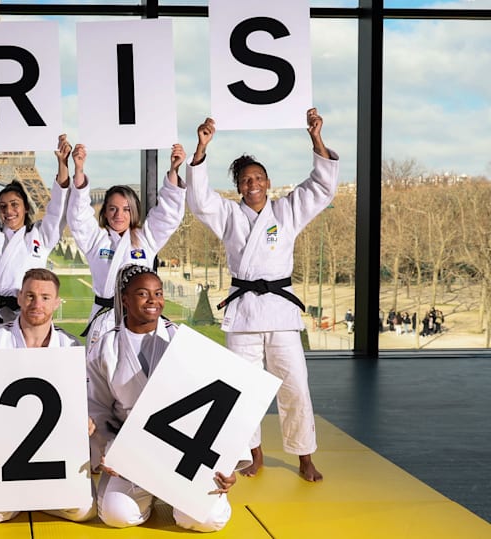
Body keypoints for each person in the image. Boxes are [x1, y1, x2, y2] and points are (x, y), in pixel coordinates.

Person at [185, 108, 338, 482]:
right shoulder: (227, 215)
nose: (251, 183)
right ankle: (254, 454)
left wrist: (316, 139)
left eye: (257, 177)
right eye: (244, 179)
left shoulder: (286, 211)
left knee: (295, 385)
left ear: (268, 182)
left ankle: (304, 456)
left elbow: (321, 188)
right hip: (244, 313)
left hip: (280, 311)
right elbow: (200, 199)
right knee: (242, 390)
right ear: (238, 187)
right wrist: (201, 147)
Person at [87, 264, 239, 531]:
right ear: (124, 299)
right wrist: (109, 450)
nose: (153, 300)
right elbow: (97, 407)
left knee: (207, 520)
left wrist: (228, 464)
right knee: (116, 515)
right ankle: (149, 492)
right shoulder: (106, 347)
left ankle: (173, 493)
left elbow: (223, 400)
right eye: (142, 293)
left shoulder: (182, 340)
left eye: (158, 293)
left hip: (185, 448)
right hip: (133, 449)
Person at [0, 268, 96, 526]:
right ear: (19, 298)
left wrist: (88, 419)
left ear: (57, 302)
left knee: (83, 510)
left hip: (56, 452)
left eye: (45, 297)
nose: (37, 304)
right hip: (4, 453)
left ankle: (32, 500)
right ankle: (28, 500)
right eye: (30, 296)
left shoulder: (71, 348)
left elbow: (89, 397)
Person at [66, 142, 186, 345]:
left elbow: (168, 214)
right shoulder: (96, 240)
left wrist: (174, 170)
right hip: (104, 317)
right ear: (104, 212)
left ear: (134, 211)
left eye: (125, 209)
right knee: (100, 374)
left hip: (140, 318)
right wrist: (78, 169)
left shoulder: (146, 238)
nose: (119, 215)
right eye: (112, 208)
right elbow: (78, 215)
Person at [0, 133, 68, 339]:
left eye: (15, 204)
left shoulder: (41, 236)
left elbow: (56, 210)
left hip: (29, 310)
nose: (9, 211)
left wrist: (62, 163)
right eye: (3, 206)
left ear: (26, 207)